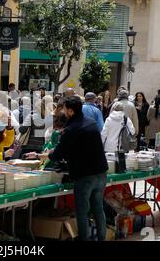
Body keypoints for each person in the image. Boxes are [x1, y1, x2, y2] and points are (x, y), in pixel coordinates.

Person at [37, 96, 108, 241]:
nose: (62, 111)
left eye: (64, 109)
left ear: (70, 111)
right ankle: (102, 238)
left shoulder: (71, 130)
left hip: (84, 175)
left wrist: (44, 155)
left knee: (82, 211)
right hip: (101, 172)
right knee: (98, 208)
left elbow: (58, 154)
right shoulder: (92, 123)